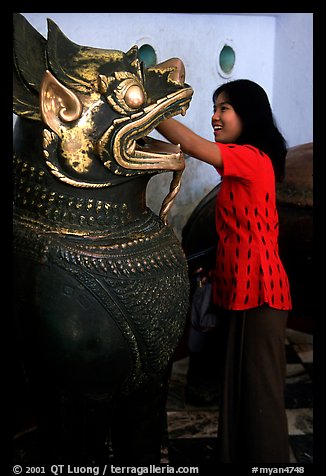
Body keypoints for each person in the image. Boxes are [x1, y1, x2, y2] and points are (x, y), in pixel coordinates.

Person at [156, 79, 292, 464]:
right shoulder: (241, 160)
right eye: (214, 108)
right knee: (238, 388)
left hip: (261, 294)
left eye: (224, 108)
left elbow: (194, 146)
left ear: (247, 114)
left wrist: (147, 108)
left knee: (261, 394)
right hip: (242, 292)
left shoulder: (251, 158)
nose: (215, 116)